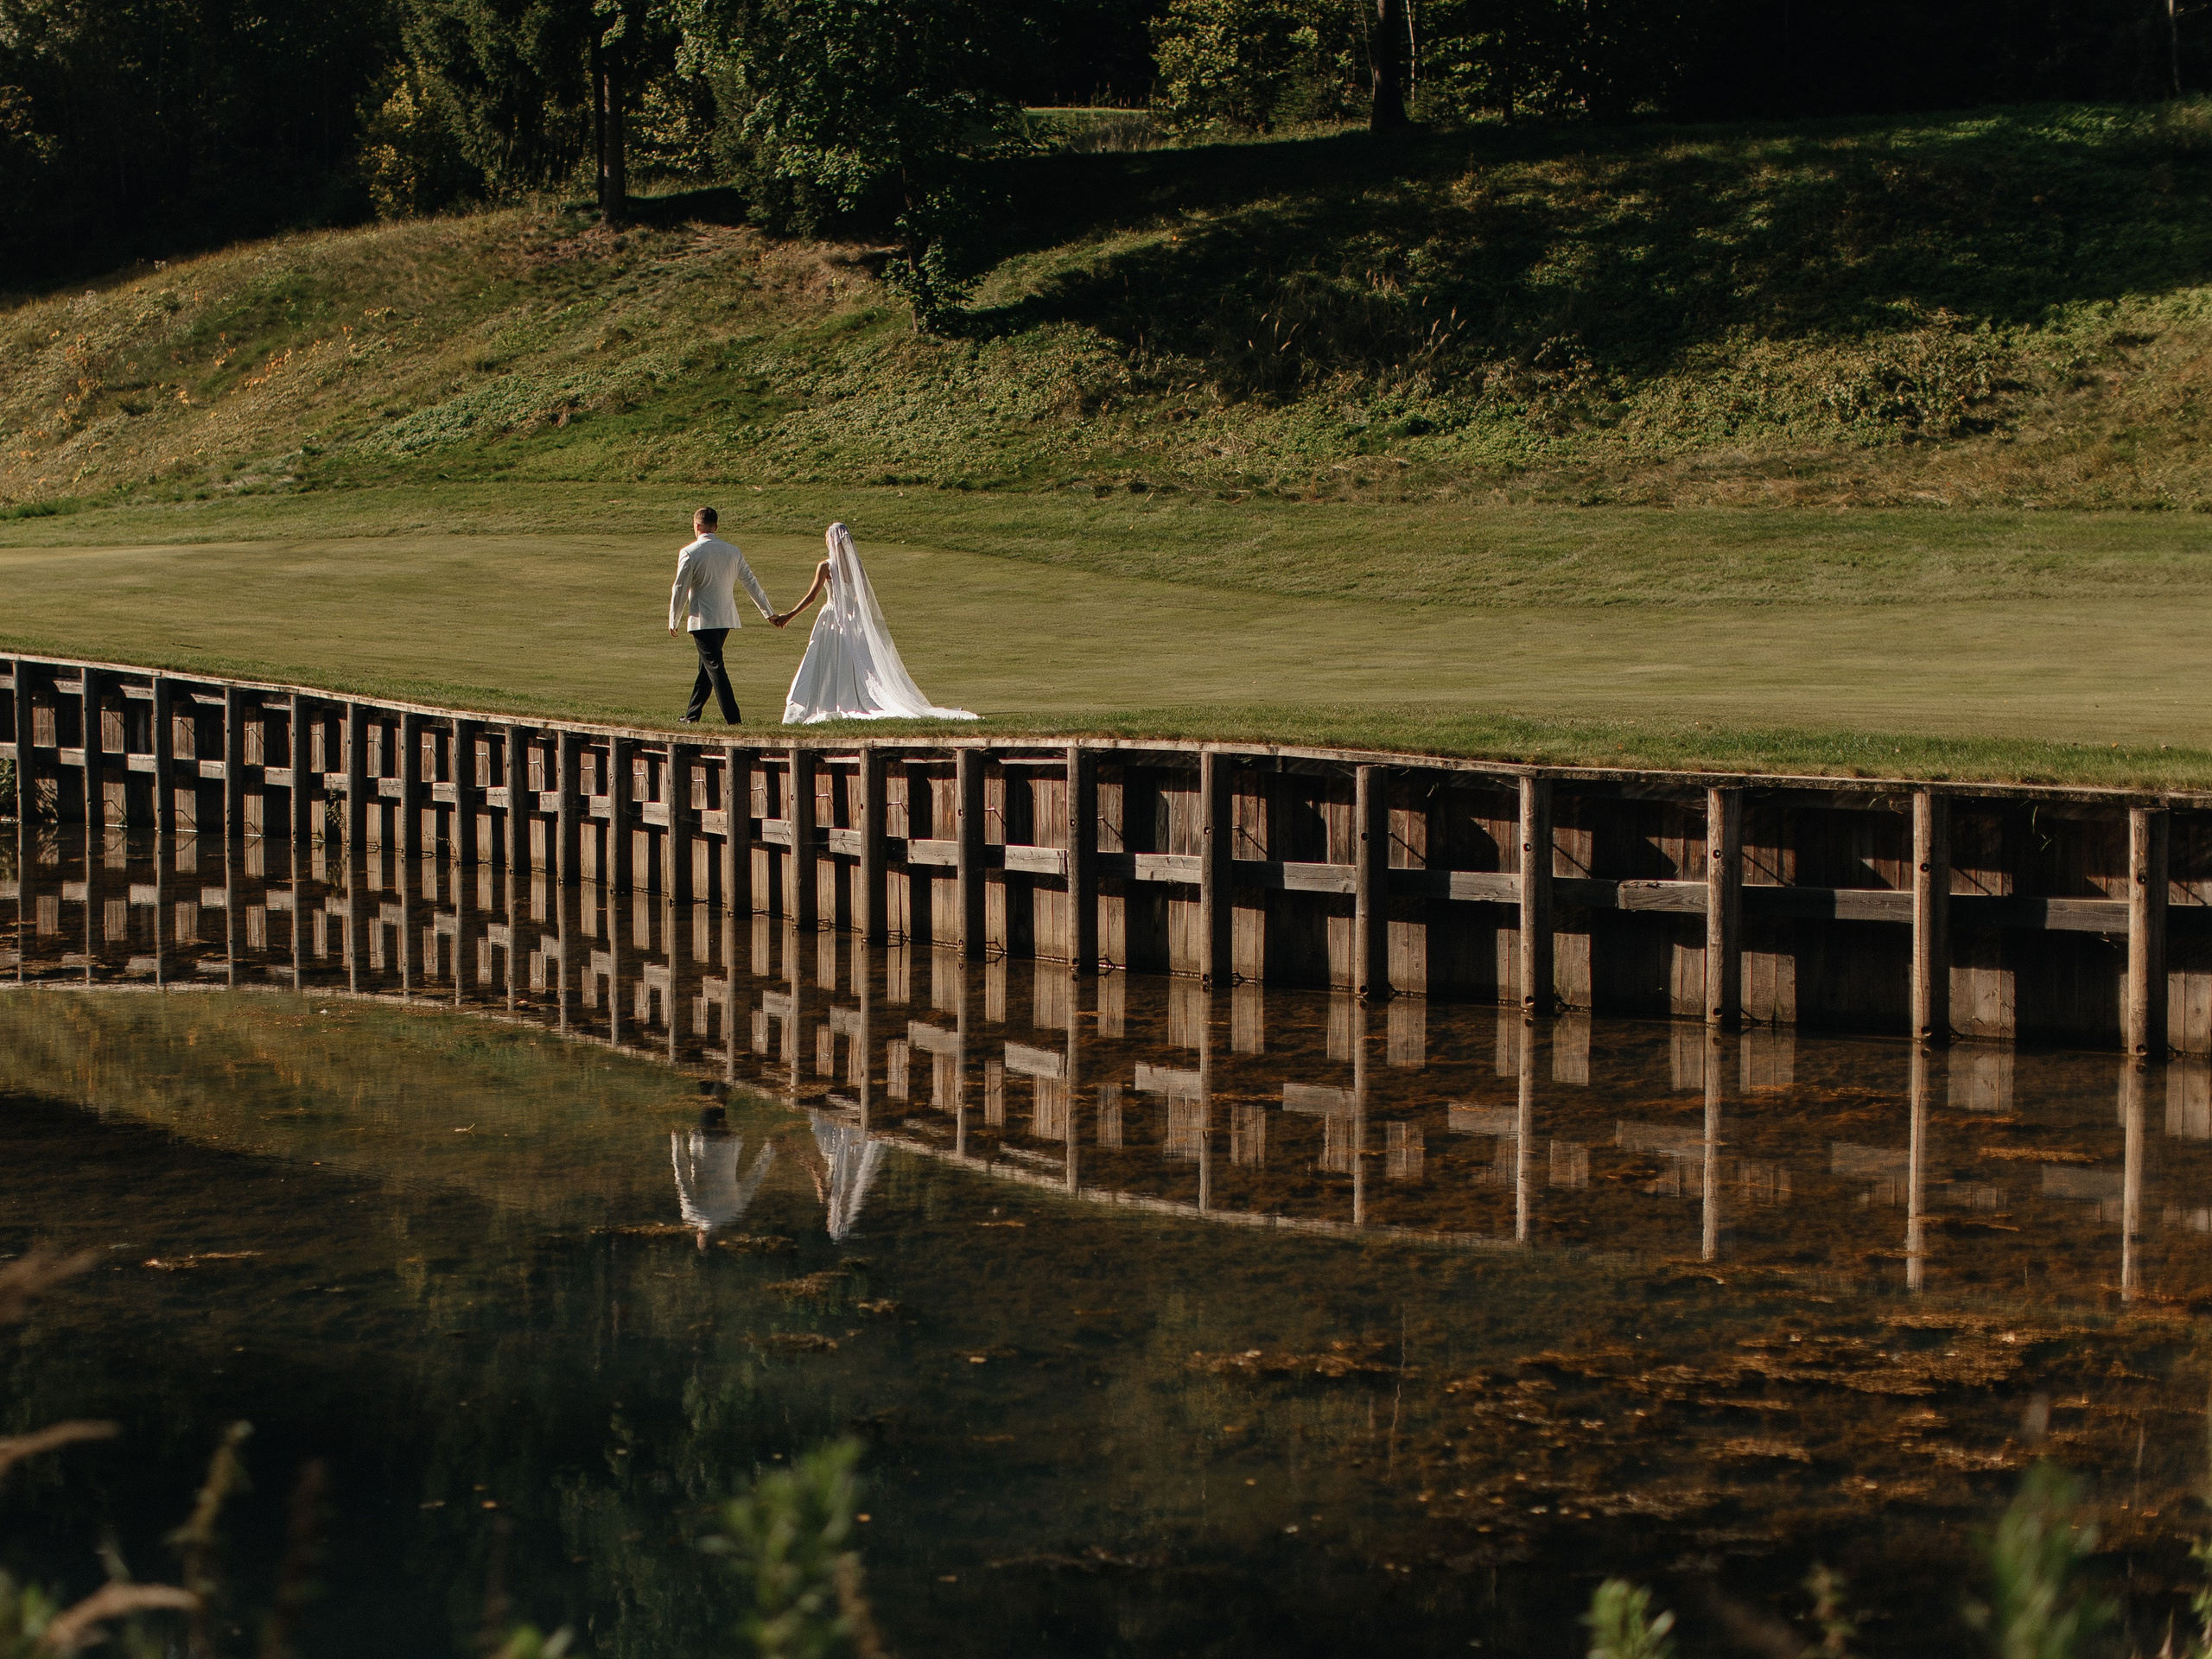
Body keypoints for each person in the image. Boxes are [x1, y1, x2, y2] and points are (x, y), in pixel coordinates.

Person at [768, 522, 978, 724]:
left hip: (833, 617)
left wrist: (790, 615)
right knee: (855, 660)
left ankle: (830, 700)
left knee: (826, 659)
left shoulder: (826, 566)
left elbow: (812, 597)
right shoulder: (855, 565)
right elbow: (864, 595)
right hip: (854, 618)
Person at [668, 506, 777, 724]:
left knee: (715, 666)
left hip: (702, 620)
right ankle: (692, 715)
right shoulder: (733, 551)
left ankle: (734, 720)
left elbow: (680, 588)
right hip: (726, 618)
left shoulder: (690, 552)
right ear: (715, 527)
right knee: (707, 667)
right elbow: (751, 583)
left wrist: (674, 618)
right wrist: (768, 612)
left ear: (697, 526)